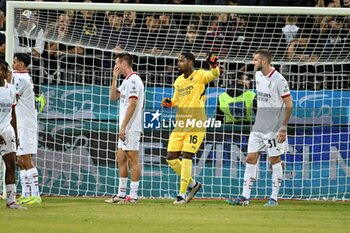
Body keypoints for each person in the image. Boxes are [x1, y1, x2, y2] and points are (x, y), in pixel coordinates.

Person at [227, 49, 293, 206]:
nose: (252, 62)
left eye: (255, 59)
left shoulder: (279, 80)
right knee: (250, 158)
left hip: (274, 128)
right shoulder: (257, 75)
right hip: (258, 126)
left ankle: (274, 198)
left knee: (274, 160)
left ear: (264, 62)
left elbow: (289, 103)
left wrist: (283, 127)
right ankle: (245, 197)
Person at [161, 52, 220, 204]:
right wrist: (170, 103)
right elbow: (176, 100)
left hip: (196, 123)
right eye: (178, 61)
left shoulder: (200, 75)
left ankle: (181, 195)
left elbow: (215, 74)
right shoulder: (178, 81)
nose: (178, 63)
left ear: (190, 62)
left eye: (181, 61)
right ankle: (193, 184)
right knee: (171, 158)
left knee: (187, 155)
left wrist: (213, 64)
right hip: (181, 124)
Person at [105, 52, 144, 204]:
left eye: (117, 63)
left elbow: (133, 105)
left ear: (123, 63)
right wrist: (114, 78)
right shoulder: (126, 81)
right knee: (120, 158)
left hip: (131, 127)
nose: (115, 66)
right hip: (126, 126)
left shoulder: (134, 80)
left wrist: (123, 126)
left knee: (133, 159)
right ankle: (121, 194)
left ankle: (133, 196)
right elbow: (113, 97)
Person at [11, 53, 42, 205]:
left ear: (23, 64)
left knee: (26, 159)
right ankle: (25, 193)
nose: (13, 63)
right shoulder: (16, 76)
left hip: (26, 123)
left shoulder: (22, 79)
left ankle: (36, 194)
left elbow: (11, 97)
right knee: (19, 159)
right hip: (19, 123)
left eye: (15, 61)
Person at [0, 59, 27, 210]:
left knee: (10, 165)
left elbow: (14, 113)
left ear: (4, 71)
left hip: (6, 130)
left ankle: (11, 201)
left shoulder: (10, 89)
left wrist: (16, 135)